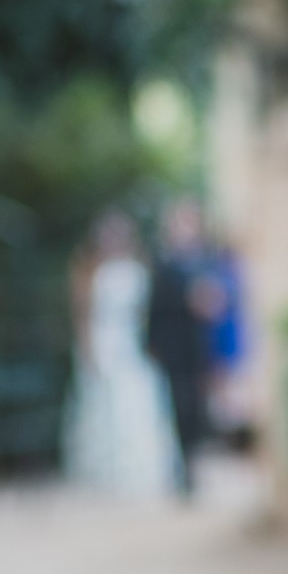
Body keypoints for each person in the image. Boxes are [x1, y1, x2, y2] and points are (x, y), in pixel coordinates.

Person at [61, 211, 179, 499]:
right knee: (103, 404)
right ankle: (105, 468)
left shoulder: (140, 269)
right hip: (105, 340)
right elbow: (84, 314)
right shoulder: (89, 271)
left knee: (137, 403)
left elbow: (146, 314)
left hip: (132, 344)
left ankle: (141, 469)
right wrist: (89, 347)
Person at [143, 199, 217, 497]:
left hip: (197, 346)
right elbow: (154, 308)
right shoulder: (162, 262)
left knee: (197, 408)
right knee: (178, 406)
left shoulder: (203, 261)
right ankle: (182, 468)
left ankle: (193, 464)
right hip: (172, 347)